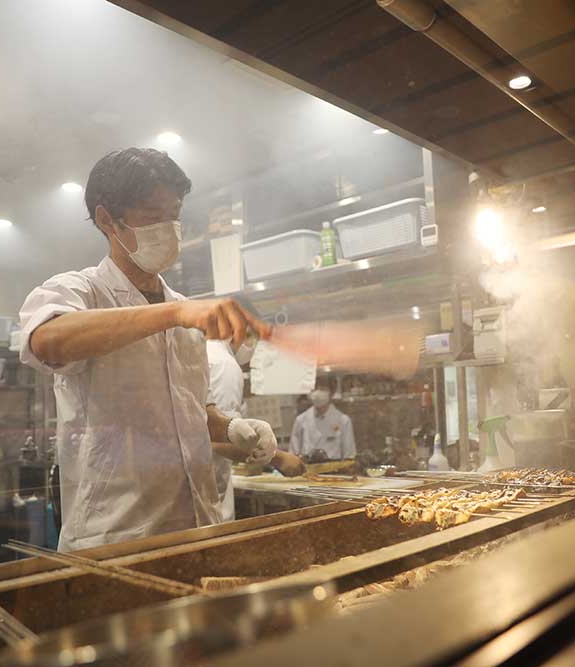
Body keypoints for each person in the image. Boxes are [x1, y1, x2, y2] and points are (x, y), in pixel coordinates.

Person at [19, 147, 276, 552]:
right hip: (117, 536)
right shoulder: (81, 290)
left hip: (196, 528)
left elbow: (188, 409)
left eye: (173, 215)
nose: (169, 228)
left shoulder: (183, 314)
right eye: (152, 216)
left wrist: (229, 427)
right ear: (107, 220)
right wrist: (172, 312)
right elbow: (47, 340)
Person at [207, 338, 306, 521]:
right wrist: (277, 458)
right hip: (209, 497)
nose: (253, 345)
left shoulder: (208, 355)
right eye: (253, 337)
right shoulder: (223, 364)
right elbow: (217, 436)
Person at [290, 388, 357, 461]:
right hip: (308, 468)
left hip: (334, 469)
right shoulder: (301, 420)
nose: (318, 392)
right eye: (315, 388)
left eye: (322, 387)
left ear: (331, 393)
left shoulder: (343, 421)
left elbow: (349, 455)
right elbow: (293, 455)